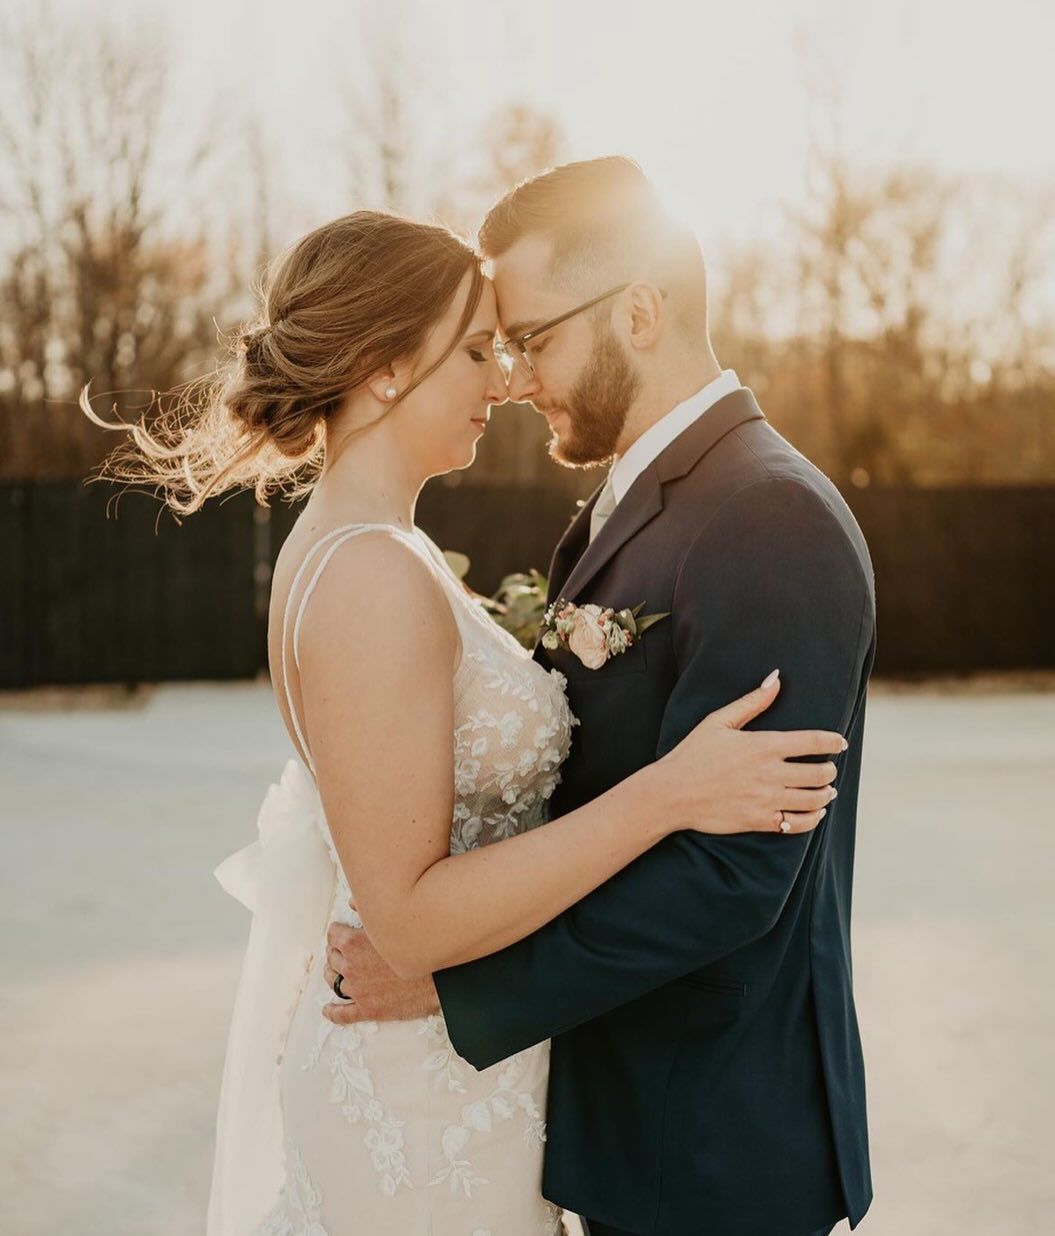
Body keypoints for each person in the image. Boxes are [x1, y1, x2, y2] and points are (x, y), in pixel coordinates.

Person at [81, 207, 843, 1236]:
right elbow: (407, 915)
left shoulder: (377, 550)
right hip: (419, 1099)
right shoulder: (366, 572)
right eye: (481, 349)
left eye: (518, 344)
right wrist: (665, 793)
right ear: (387, 368)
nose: (506, 382)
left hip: (474, 1086)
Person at [325, 160, 876, 1236]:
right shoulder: (627, 506)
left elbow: (731, 875)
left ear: (637, 311)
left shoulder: (770, 517)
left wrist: (455, 984)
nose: (516, 376)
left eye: (532, 338)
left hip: (714, 1149)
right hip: (620, 1124)